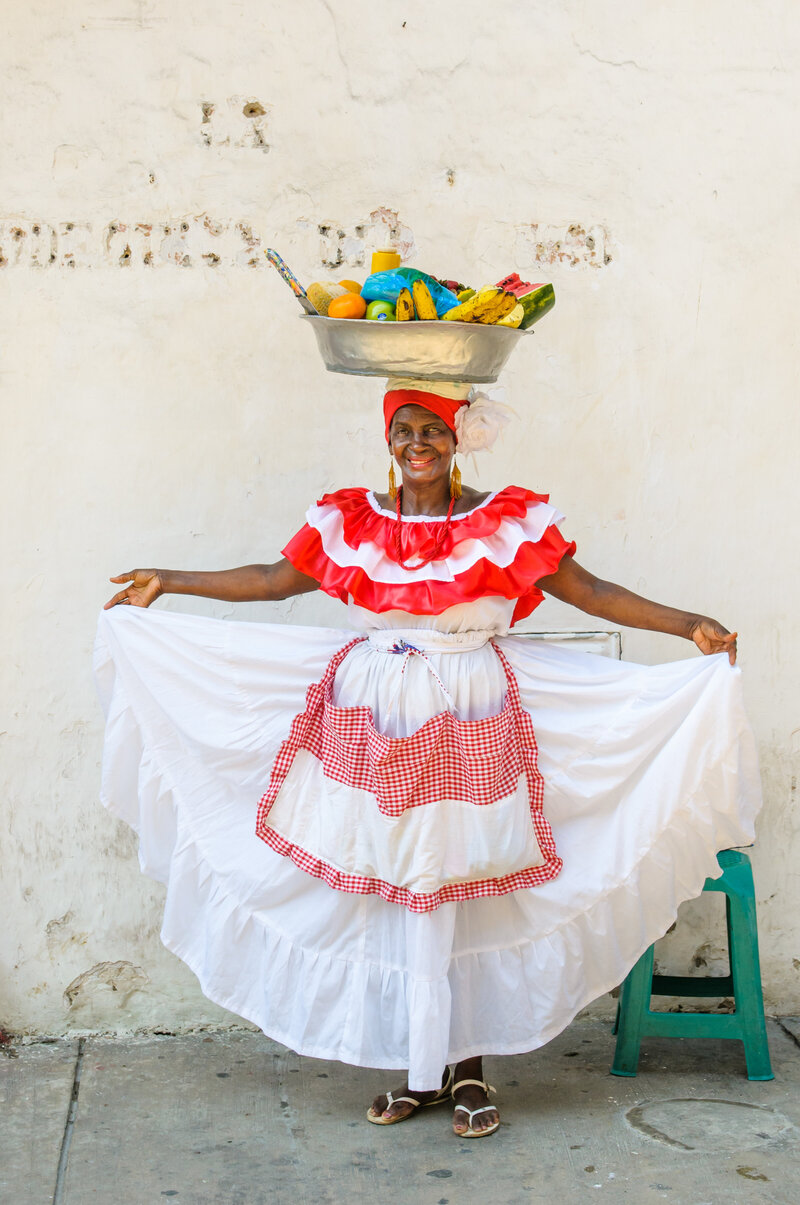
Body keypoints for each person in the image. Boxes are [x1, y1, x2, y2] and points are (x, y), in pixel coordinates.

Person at [96, 378, 759, 1140]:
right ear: (388, 441)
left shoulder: (501, 521)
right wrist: (171, 580)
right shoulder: (351, 519)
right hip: (373, 717)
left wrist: (687, 624)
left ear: (457, 436)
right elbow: (276, 582)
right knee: (396, 886)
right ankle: (417, 1065)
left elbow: (590, 589)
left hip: (469, 711)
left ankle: (468, 1069)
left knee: (460, 882)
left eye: (434, 430)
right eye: (405, 430)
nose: (419, 444)